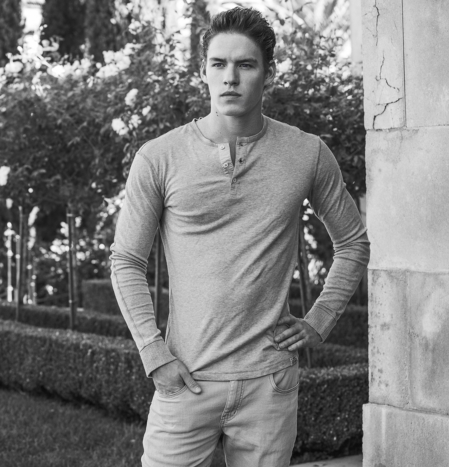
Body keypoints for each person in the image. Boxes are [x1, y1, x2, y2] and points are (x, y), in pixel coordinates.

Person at [109, 7, 370, 467]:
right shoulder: (159, 157)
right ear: (203, 71)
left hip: (269, 385)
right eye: (219, 64)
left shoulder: (307, 153)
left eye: (246, 65)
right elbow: (126, 260)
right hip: (185, 380)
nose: (230, 77)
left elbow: (353, 243)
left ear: (269, 73)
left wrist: (321, 318)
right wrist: (154, 353)